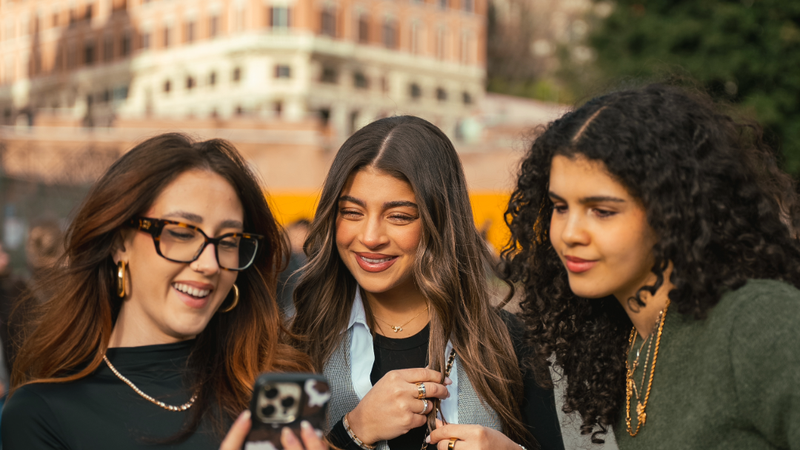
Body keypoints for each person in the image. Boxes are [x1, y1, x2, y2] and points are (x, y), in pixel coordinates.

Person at [502, 83, 800, 448]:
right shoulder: (617, 344)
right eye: (560, 207)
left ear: (672, 212)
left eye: (602, 211)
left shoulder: (757, 319)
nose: (570, 233)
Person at [2, 133, 325, 450]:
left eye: (228, 241)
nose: (210, 263)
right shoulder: (42, 414)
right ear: (119, 243)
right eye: (182, 233)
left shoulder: (272, 393)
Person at [290, 116, 564, 450]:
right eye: (352, 212)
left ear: (441, 221)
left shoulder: (512, 344)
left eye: (399, 216)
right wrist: (353, 431)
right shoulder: (293, 344)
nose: (371, 237)